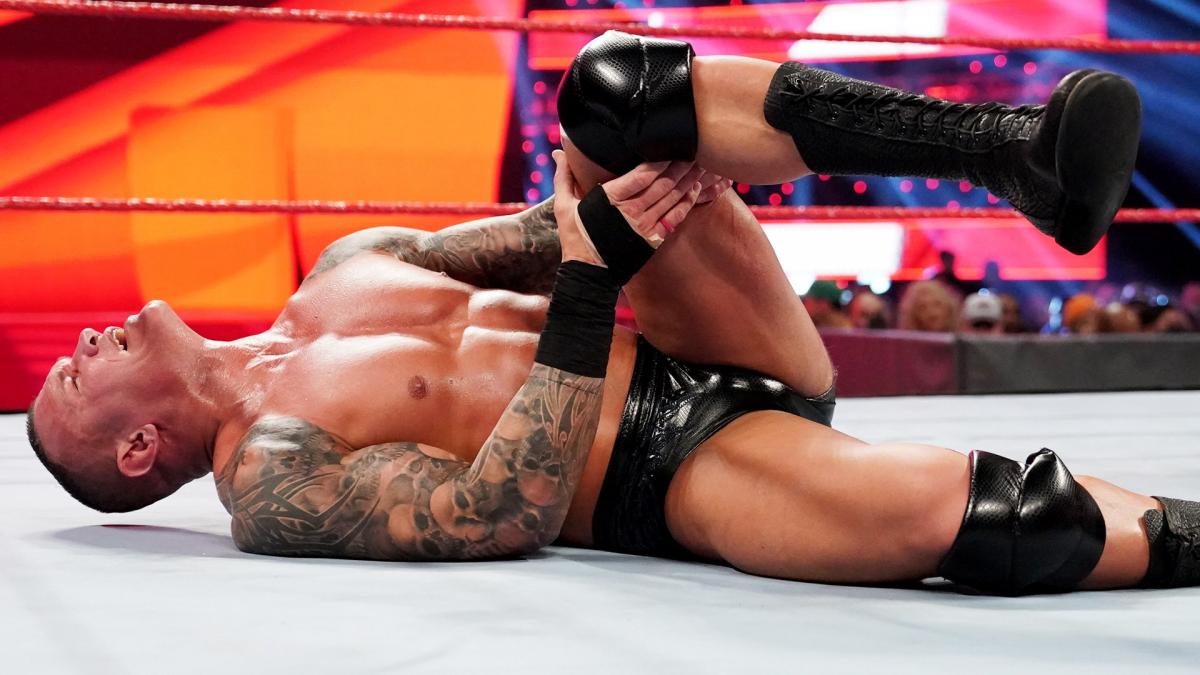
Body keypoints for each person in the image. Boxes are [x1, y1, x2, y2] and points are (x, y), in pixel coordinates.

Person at [29, 31, 1199, 596]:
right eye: (73, 381)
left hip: (702, 328)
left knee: (614, 94)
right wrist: (593, 282)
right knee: (1008, 517)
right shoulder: (271, 481)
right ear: (137, 450)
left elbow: (542, 238)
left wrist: (623, 201)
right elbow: (501, 513)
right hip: (676, 467)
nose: (80, 347)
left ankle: (1015, 152)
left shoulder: (346, 266)